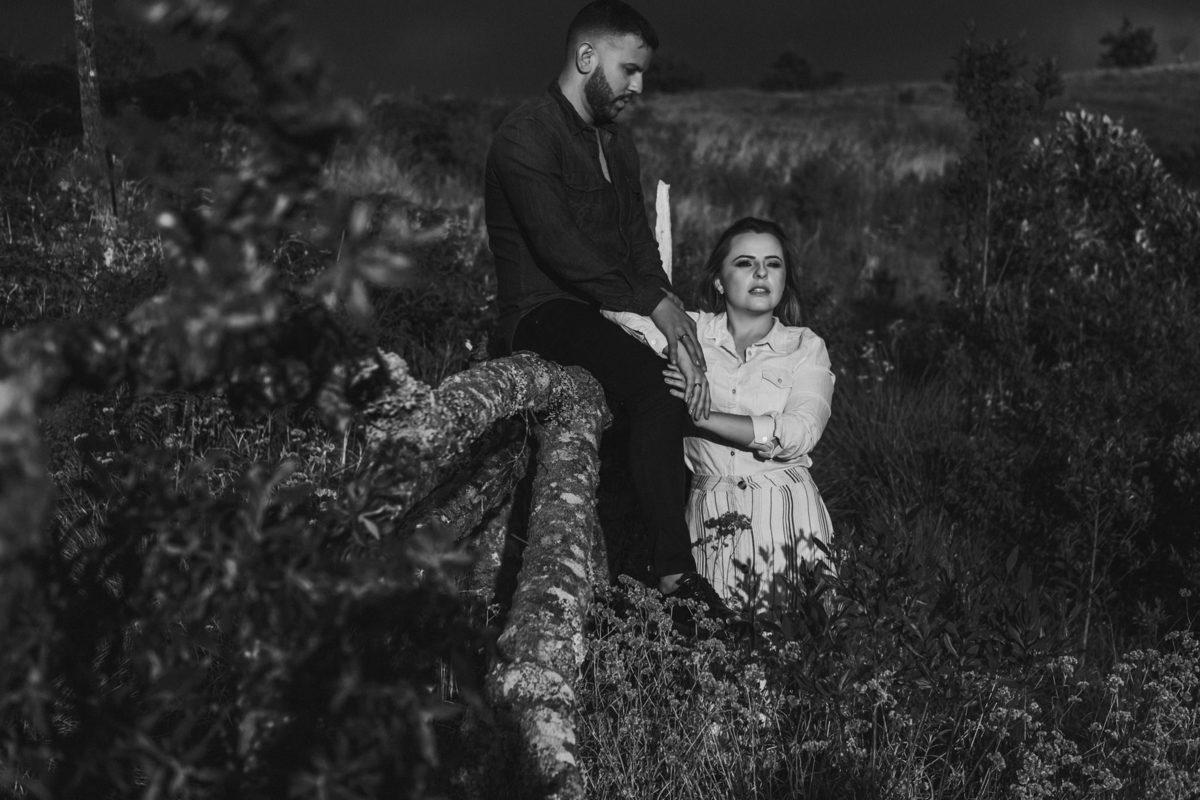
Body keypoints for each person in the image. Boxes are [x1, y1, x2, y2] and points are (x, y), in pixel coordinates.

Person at [483, 0, 731, 619]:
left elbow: (640, 250)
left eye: (643, 73)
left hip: (605, 313)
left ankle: (651, 574)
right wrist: (655, 310)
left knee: (675, 387)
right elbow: (559, 249)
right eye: (630, 70)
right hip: (541, 312)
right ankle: (675, 579)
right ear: (587, 57)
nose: (638, 87)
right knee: (653, 392)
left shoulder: (618, 145)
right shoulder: (525, 134)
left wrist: (675, 325)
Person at [607, 217, 835, 610]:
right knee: (711, 637)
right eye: (745, 263)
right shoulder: (690, 331)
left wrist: (701, 414)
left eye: (773, 263)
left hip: (786, 511)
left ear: (784, 281)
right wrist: (668, 326)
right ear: (718, 281)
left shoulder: (805, 347)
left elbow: (801, 432)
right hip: (708, 515)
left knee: (794, 640)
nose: (761, 272)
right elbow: (614, 310)